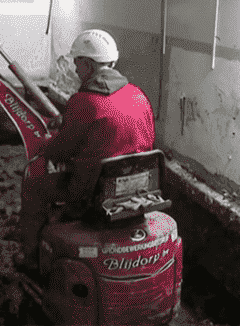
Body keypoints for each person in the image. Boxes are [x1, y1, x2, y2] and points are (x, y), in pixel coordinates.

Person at [18, 29, 156, 269]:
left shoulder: (85, 101)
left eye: (76, 62)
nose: (74, 69)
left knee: (33, 186)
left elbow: (59, 153)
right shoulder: (138, 95)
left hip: (94, 193)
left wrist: (45, 144)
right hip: (137, 189)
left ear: (88, 64)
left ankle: (31, 258)